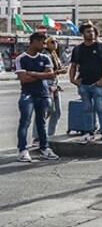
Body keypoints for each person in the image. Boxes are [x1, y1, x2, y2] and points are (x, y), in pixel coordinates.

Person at [15, 32, 60, 162]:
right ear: (35, 42)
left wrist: (32, 73)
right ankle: (22, 150)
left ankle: (44, 148)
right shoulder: (21, 58)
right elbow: (24, 79)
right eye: (43, 43)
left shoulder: (45, 58)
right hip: (28, 94)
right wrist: (41, 74)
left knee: (42, 123)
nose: (44, 46)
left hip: (43, 94)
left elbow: (50, 75)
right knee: (25, 122)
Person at [69, 22, 102, 145]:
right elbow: (73, 66)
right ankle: (89, 133)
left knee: (100, 109)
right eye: (88, 32)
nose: (91, 33)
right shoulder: (78, 49)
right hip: (83, 84)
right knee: (87, 109)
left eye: (93, 31)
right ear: (83, 34)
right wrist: (72, 79)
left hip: (97, 84)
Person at [31, 36, 65, 146]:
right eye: (52, 42)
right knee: (44, 111)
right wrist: (48, 85)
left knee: (56, 112)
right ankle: (37, 137)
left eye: (56, 42)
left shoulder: (54, 54)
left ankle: (50, 135)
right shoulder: (45, 55)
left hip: (54, 85)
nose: (55, 44)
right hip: (47, 86)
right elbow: (43, 72)